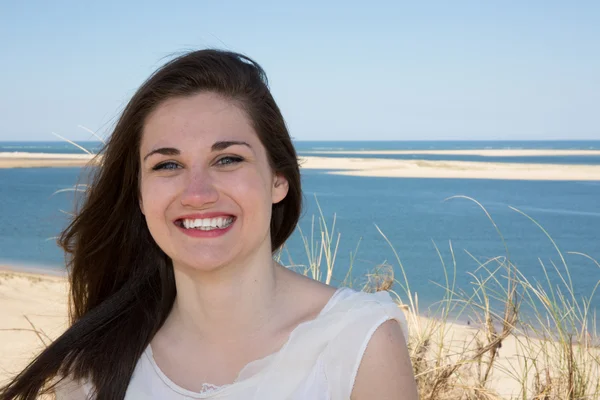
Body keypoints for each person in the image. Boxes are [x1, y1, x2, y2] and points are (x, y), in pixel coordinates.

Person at [0, 49, 417, 399]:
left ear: (278, 179)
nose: (197, 192)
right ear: (141, 197)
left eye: (228, 159)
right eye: (168, 164)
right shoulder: (90, 372)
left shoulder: (360, 345)